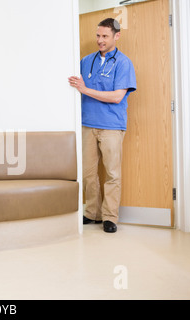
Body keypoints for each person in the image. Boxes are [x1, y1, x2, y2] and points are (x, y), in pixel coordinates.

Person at [68, 18, 136, 233]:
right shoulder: (86, 60)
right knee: (88, 174)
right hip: (87, 124)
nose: (100, 40)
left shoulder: (123, 63)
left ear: (117, 36)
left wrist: (85, 90)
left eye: (105, 36)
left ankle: (109, 217)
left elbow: (117, 96)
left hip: (112, 126)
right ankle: (92, 213)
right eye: (98, 35)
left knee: (112, 174)